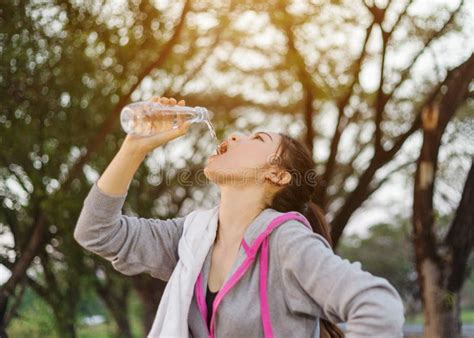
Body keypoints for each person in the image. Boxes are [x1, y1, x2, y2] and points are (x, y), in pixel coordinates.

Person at [74, 96, 405, 338]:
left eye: (257, 138)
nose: (233, 137)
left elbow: (378, 305)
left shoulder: (286, 243)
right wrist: (134, 148)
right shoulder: (190, 240)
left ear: (277, 175)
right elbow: (97, 231)